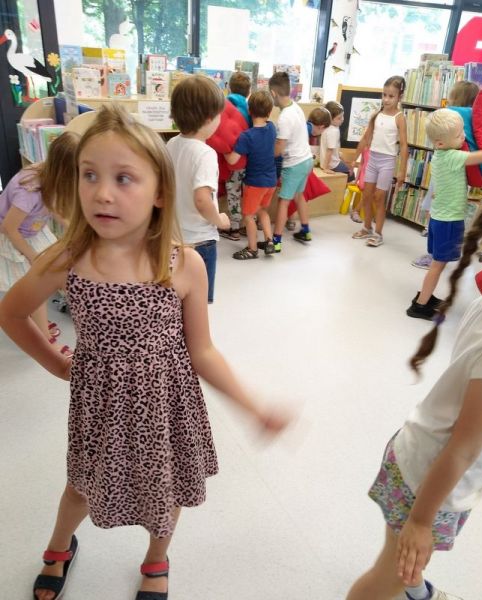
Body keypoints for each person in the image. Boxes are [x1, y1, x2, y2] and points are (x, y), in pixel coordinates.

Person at [0, 104, 290, 600]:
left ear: (159, 192)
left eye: (123, 178)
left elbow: (203, 351)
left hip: (166, 402)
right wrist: (58, 365)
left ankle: (157, 559)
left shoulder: (185, 265)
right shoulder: (67, 258)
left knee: (166, 486)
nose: (102, 192)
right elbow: (11, 313)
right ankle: (59, 546)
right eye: (89, 175)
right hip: (99, 405)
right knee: (81, 486)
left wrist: (253, 406)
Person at [346, 204, 482, 600]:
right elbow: (464, 446)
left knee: (398, 563)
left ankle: (415, 587)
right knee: (389, 574)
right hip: (431, 482)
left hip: (421, 454)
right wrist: (422, 521)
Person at [0, 131, 79, 356]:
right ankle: (44, 339)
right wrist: (32, 256)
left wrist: (73, 228)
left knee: (42, 279)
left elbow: (53, 207)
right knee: (37, 285)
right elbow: (9, 228)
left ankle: (38, 324)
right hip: (13, 237)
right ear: (65, 171)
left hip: (32, 231)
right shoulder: (29, 191)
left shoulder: (49, 174)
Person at [406, 108, 482, 320]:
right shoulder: (453, 156)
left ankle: (424, 297)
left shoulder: (439, 155)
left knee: (437, 263)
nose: (464, 137)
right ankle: (420, 306)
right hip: (448, 221)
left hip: (438, 218)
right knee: (437, 266)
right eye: (460, 135)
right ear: (441, 143)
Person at [167, 74, 230, 304]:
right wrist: (219, 220)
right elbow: (202, 199)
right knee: (198, 303)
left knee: (176, 298)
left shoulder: (171, 144)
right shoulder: (205, 154)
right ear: (209, 119)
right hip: (200, 241)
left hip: (172, 238)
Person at [411, 81, 480, 271]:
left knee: (437, 204)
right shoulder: (460, 121)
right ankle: (434, 252)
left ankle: (433, 246)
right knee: (439, 204)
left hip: (447, 173)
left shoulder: (452, 121)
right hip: (453, 171)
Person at [351, 76, 408, 247]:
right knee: (367, 195)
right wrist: (354, 159)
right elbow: (365, 138)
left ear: (399, 97)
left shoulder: (399, 117)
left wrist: (402, 171)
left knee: (379, 197)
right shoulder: (376, 115)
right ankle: (367, 228)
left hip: (387, 161)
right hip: (373, 159)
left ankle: (378, 234)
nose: (386, 99)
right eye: (384, 95)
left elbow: (404, 145)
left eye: (391, 96)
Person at [224, 90, 277, 259]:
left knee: (248, 216)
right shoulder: (272, 128)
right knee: (262, 210)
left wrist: (224, 150)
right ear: (269, 112)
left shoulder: (247, 136)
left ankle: (252, 249)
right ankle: (269, 242)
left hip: (255, 183)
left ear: (249, 111)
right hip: (271, 181)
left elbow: (232, 160)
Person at [268, 71, 313, 252]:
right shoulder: (296, 107)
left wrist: (266, 155)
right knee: (299, 196)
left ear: (273, 93)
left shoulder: (284, 117)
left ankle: (276, 241)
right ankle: (306, 231)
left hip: (294, 164)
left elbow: (279, 148)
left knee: (283, 201)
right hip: (306, 160)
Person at [207, 71, 251, 242]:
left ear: (229, 88)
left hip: (231, 160)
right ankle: (249, 223)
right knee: (246, 194)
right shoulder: (249, 108)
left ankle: (234, 229)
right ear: (249, 91)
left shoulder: (225, 106)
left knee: (233, 194)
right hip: (249, 160)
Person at [286, 106, 331, 231]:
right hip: (289, 166)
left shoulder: (307, 128)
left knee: (304, 187)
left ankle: (295, 219)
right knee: (302, 189)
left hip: (294, 164)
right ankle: (292, 218)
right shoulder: (306, 131)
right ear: (321, 127)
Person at [320, 101, 354, 182]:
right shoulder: (333, 131)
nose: (342, 119)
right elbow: (329, 151)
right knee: (351, 173)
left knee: (346, 164)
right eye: (339, 118)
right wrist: (326, 168)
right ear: (330, 119)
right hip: (332, 165)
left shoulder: (327, 127)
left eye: (343, 116)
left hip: (325, 162)